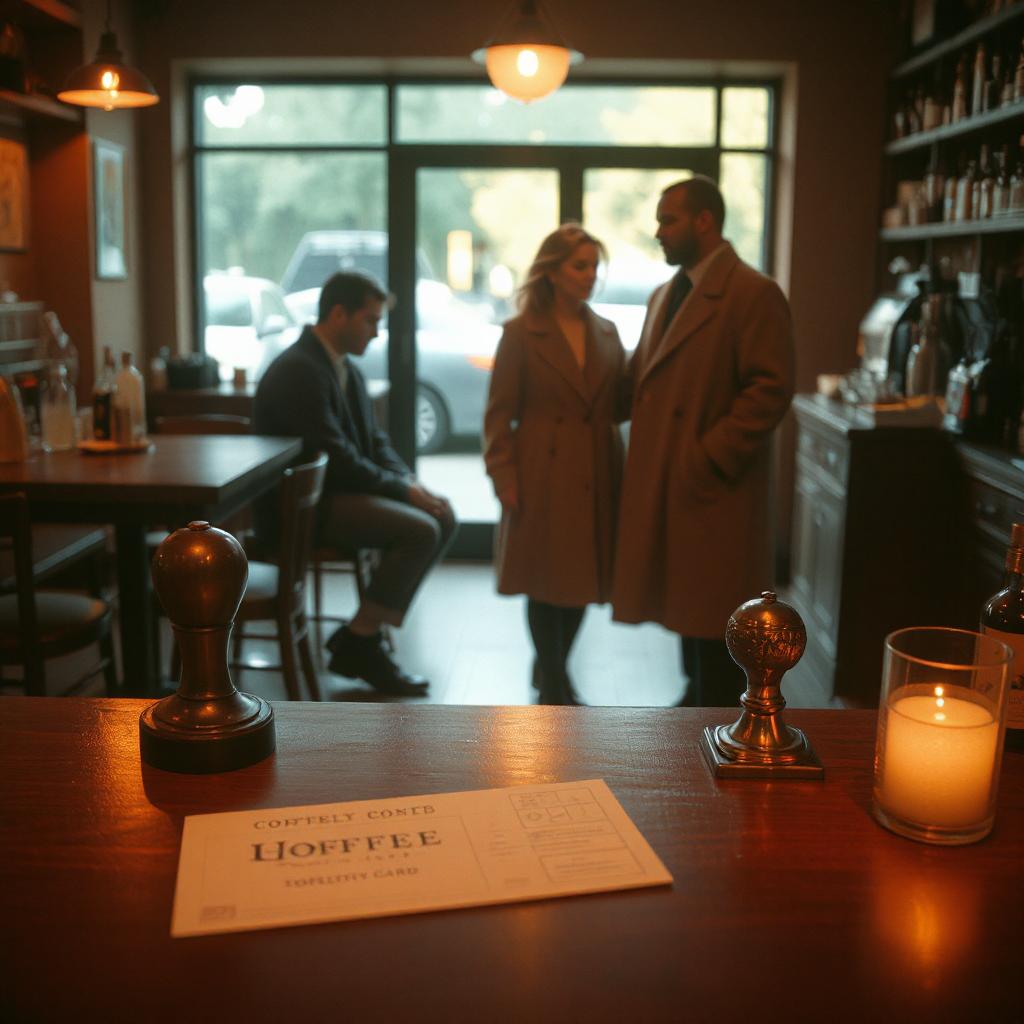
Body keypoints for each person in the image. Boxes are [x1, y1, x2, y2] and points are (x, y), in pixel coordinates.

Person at [612, 176, 795, 707]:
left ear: (704, 221)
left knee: (716, 615)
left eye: (667, 220)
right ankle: (695, 701)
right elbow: (641, 374)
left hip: (716, 487)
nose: (658, 232)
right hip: (674, 479)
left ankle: (714, 715)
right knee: (688, 607)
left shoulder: (754, 293)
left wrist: (709, 456)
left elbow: (770, 389)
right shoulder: (664, 294)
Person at [254, 271, 456, 696]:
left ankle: (361, 636)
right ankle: (362, 642)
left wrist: (408, 482)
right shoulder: (300, 370)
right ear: (338, 314)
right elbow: (340, 462)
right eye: (370, 320)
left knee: (442, 514)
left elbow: (375, 443)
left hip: (336, 496)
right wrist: (403, 492)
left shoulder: (344, 368)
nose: (377, 332)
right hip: (301, 511)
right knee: (421, 530)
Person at [484, 223, 626, 705]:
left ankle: (553, 671)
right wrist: (503, 475)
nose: (589, 275)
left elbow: (620, 401)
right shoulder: (520, 333)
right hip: (540, 472)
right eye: (579, 266)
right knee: (544, 583)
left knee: (579, 581)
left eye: (594, 266)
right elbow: (498, 415)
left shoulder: (605, 331)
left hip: (594, 470)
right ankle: (553, 683)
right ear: (551, 271)